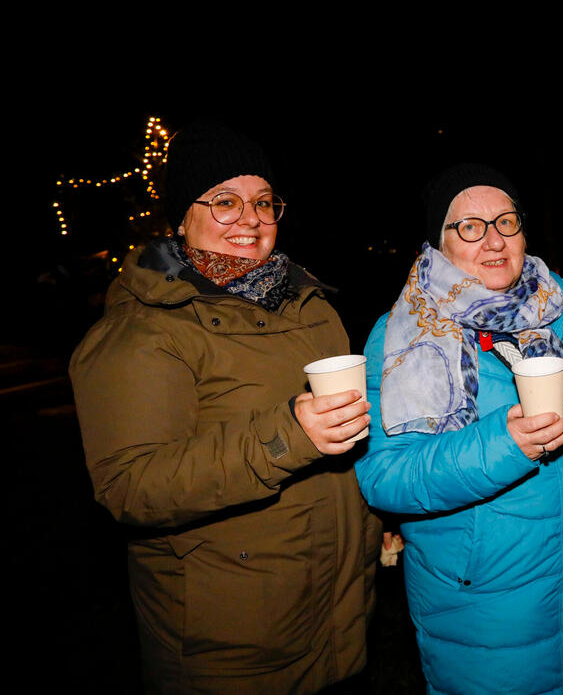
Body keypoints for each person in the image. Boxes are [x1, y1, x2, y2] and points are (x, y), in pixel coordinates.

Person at [69, 123, 382, 693]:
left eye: (264, 202)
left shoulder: (310, 307)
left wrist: (376, 518)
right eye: (224, 202)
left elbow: (349, 441)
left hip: (338, 614)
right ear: (180, 218)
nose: (251, 218)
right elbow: (131, 486)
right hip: (233, 645)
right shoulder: (143, 331)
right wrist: (284, 436)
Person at [355, 163, 563, 694]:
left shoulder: (562, 311)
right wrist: (501, 445)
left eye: (506, 221)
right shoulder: (405, 336)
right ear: (437, 243)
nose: (493, 240)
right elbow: (384, 477)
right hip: (483, 611)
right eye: (469, 226)